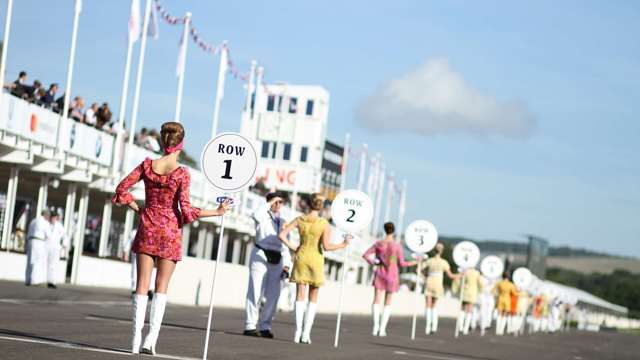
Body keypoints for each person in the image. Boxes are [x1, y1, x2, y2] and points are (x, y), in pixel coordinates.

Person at [112, 121, 230, 354]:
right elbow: (186, 210)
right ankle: (150, 341)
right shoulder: (181, 174)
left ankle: (134, 341)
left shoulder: (147, 166)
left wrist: (138, 208)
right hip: (170, 232)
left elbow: (121, 188)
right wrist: (216, 212)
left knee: (141, 285)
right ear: (181, 144)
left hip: (148, 226)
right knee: (162, 286)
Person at [278, 193, 350, 344]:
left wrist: (294, 247)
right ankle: (306, 334)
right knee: (313, 297)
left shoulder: (300, 219)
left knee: (299, 296)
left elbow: (282, 235)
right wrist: (343, 245)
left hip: (301, 257)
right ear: (321, 206)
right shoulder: (324, 224)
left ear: (309, 204)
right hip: (316, 259)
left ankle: (297, 333)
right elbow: (326, 246)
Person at [243, 191, 292, 338]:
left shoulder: (283, 221)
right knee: (255, 290)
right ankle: (250, 325)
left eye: (280, 202)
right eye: (275, 202)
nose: (278, 205)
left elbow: (285, 243)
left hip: (278, 256)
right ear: (269, 202)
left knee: (273, 294)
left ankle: (265, 325)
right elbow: (255, 214)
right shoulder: (262, 215)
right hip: (261, 253)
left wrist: (287, 264)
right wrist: (269, 203)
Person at [362, 222, 417, 337]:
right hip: (392, 274)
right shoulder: (397, 246)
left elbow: (366, 255)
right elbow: (402, 263)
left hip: (380, 272)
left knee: (376, 300)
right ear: (394, 231)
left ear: (384, 230)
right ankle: (382, 329)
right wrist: (414, 262)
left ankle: (375, 326)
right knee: (388, 301)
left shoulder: (378, 243)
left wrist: (374, 263)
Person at [421, 242, 457, 335]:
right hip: (438, 283)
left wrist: (424, 277)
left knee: (428, 305)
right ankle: (434, 326)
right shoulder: (444, 262)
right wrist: (461, 275)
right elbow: (451, 275)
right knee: (434, 305)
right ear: (441, 251)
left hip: (429, 281)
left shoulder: (430, 261)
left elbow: (419, 269)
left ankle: (427, 327)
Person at [452, 267, 483, 335]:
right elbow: (480, 284)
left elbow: (458, 280)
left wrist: (457, 289)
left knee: (462, 309)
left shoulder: (465, 271)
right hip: (473, 292)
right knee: (469, 310)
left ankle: (461, 326)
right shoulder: (476, 273)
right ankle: (465, 328)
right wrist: (480, 290)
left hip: (464, 291)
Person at [25, 209, 52, 286]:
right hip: (39, 241)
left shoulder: (33, 221)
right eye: (48, 216)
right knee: (37, 261)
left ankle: (28, 280)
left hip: (30, 240)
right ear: (46, 215)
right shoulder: (45, 222)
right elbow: (48, 235)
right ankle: (35, 280)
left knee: (30, 261)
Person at [46, 211, 68, 289]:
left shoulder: (59, 226)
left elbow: (65, 236)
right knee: (46, 264)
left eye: (54, 217)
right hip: (47, 246)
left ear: (56, 218)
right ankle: (45, 280)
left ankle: (52, 282)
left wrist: (64, 245)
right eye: (51, 217)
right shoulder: (46, 224)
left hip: (55, 247)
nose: (52, 218)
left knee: (54, 265)